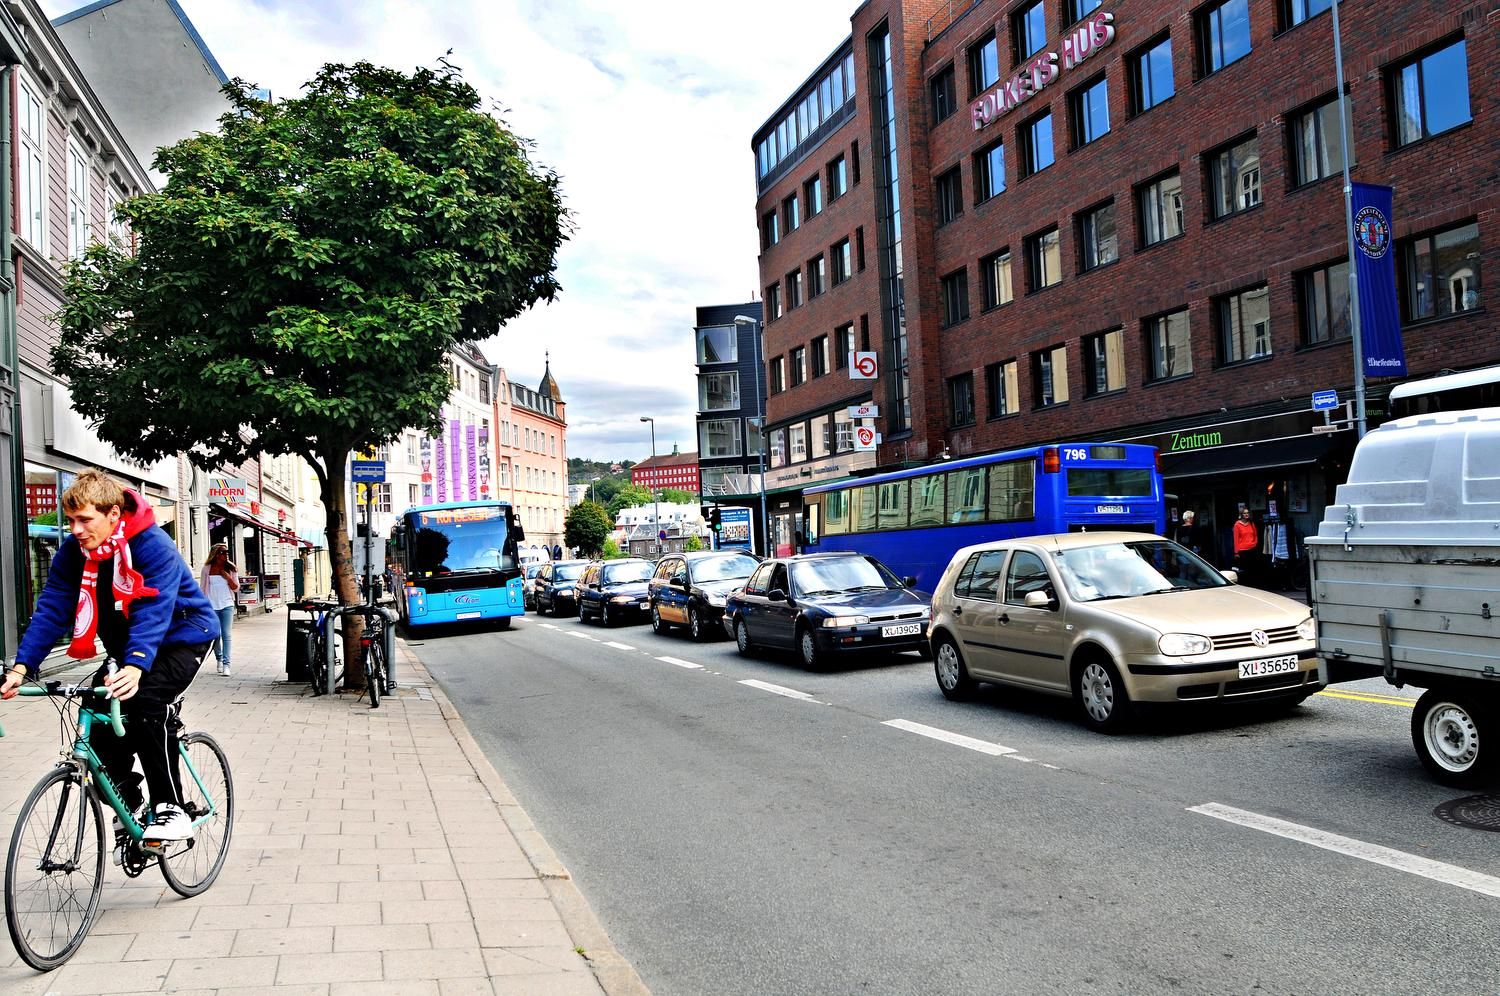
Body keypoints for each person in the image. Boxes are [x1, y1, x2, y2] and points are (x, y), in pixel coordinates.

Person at [1, 469, 219, 845]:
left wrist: (135, 666)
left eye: (85, 520)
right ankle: (129, 804)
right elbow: (53, 607)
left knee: (146, 700)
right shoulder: (75, 552)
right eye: (71, 520)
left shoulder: (151, 544)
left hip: (183, 637)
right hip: (128, 647)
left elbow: (153, 609)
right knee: (96, 717)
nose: (76, 529)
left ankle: (170, 808)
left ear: (113, 514)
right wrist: (23, 666)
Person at [199, 543, 239, 676]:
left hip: (227, 604)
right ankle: (219, 659)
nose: (226, 554)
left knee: (226, 634)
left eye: (227, 552)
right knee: (216, 634)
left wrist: (228, 577)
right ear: (216, 554)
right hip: (211, 606)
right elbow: (202, 589)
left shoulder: (231, 568)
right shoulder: (206, 569)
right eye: (223, 552)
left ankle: (227, 664)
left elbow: (236, 588)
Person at [1233, 506, 1259, 575]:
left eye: (1247, 513)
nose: (1246, 514)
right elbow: (1235, 539)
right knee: (1244, 570)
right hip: (1243, 551)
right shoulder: (1237, 525)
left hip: (1252, 549)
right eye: (1244, 513)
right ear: (1241, 515)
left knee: (1253, 569)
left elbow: (1255, 535)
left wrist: (1255, 543)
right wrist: (1236, 552)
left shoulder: (1251, 523)